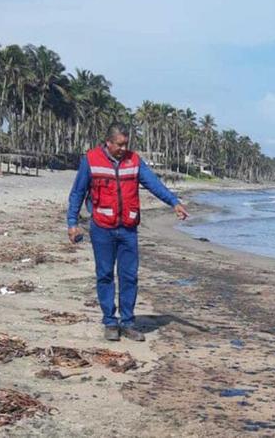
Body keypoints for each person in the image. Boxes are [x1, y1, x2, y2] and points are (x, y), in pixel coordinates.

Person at [67, 125, 189, 341]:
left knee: (129, 276)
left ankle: (128, 322)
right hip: (102, 227)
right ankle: (110, 322)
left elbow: (153, 184)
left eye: (126, 144)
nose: (124, 148)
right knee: (105, 274)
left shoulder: (134, 161)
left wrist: (173, 202)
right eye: (119, 144)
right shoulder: (91, 160)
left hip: (128, 228)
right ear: (109, 142)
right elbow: (78, 192)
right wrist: (72, 222)